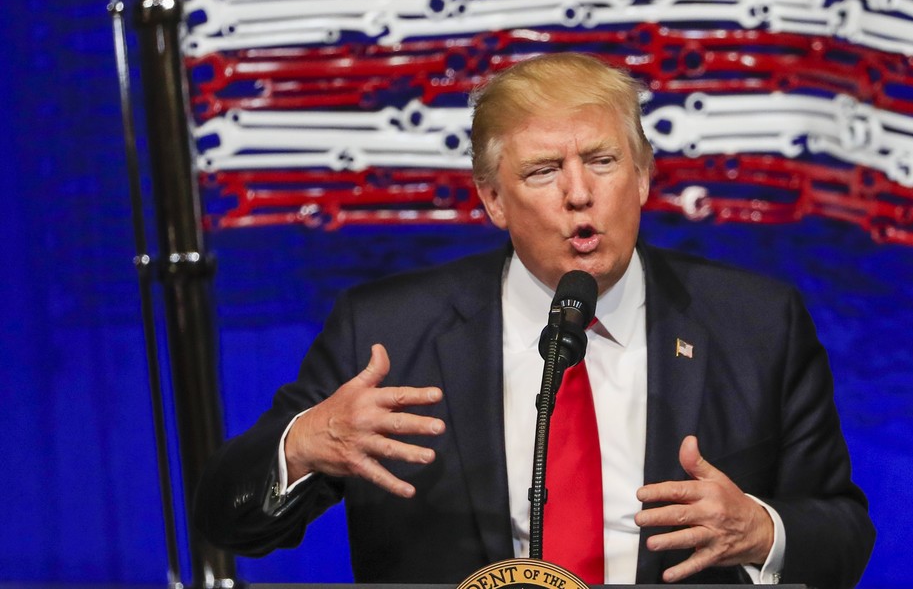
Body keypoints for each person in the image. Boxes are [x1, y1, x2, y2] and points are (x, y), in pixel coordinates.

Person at [194, 52, 875, 589]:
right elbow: (230, 519)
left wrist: (759, 530)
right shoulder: (389, 332)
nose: (580, 195)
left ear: (641, 177)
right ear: (492, 199)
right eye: (544, 171)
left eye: (603, 162)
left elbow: (843, 532)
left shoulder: (755, 323)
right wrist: (301, 446)